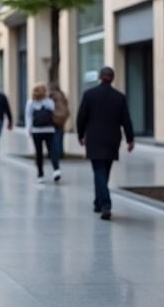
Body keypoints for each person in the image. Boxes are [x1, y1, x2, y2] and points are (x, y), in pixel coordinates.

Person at [77, 67, 135, 221]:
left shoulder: (89, 95)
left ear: (100, 77)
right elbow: (126, 120)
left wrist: (81, 135)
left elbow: (81, 116)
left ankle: (106, 204)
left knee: (99, 171)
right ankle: (98, 202)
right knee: (104, 171)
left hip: (95, 138)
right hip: (112, 139)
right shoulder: (119, 97)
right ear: (112, 78)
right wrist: (130, 139)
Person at [25, 83, 60, 184]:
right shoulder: (49, 102)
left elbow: (29, 117)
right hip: (49, 130)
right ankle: (56, 170)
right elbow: (54, 114)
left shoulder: (30, 102)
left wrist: (28, 130)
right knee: (52, 150)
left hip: (37, 131)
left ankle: (40, 174)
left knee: (39, 153)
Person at [49, 82, 70, 161]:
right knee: (60, 135)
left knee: (55, 136)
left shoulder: (51, 95)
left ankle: (56, 154)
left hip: (54, 117)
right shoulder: (62, 94)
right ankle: (60, 153)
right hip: (62, 117)